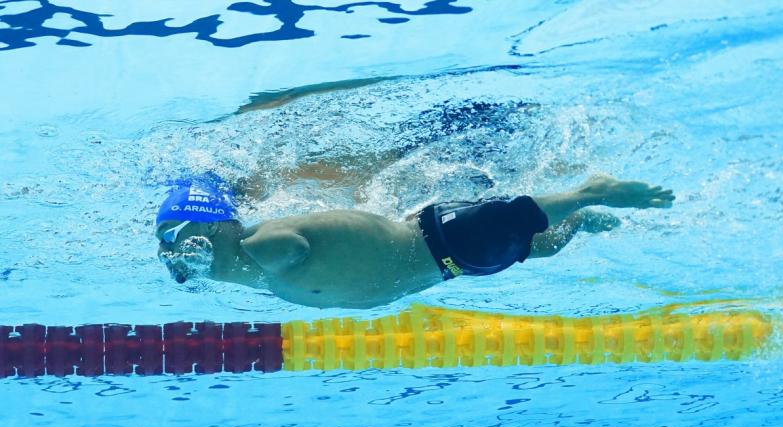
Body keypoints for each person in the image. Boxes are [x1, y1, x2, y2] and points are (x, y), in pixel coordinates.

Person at [154, 174, 674, 309]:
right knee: (545, 245)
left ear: (217, 226)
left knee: (518, 219)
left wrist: (238, 254)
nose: (181, 257)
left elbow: (293, 250)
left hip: (440, 239)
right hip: (450, 263)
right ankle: (582, 217)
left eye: (184, 240)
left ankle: (589, 192)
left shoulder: (264, 246)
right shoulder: (259, 278)